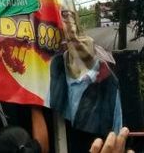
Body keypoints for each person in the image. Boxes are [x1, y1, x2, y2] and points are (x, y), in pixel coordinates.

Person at [47, 8, 122, 136]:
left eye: (83, 43)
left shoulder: (107, 82)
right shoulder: (57, 69)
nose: (79, 45)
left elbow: (117, 128)